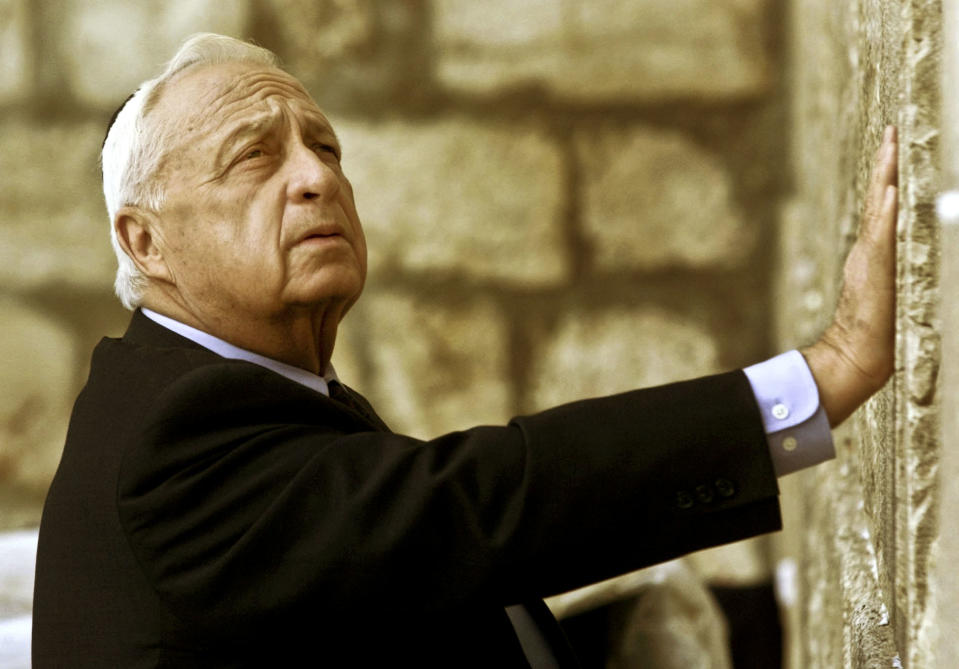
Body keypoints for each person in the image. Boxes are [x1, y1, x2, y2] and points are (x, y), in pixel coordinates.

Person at [32, 33, 898, 668]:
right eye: (253, 157)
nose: (315, 177)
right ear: (145, 243)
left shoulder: (237, 393)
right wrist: (814, 381)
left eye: (324, 146)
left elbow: (421, 578)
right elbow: (475, 506)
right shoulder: (172, 437)